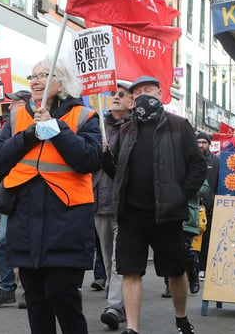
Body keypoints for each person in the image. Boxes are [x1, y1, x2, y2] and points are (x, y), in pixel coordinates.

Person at [0, 58, 102, 334]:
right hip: (25, 223)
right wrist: (28, 136)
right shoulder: (17, 117)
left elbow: (89, 159)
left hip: (67, 223)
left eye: (43, 75)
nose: (35, 81)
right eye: (33, 76)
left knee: (62, 295)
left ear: (61, 82)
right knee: (35, 300)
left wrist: (54, 128)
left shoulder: (84, 116)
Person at [107, 75, 207, 334]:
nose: (143, 95)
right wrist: (105, 158)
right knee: (130, 271)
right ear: (132, 100)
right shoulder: (126, 129)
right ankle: (132, 327)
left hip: (167, 215)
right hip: (131, 214)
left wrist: (180, 194)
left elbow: (197, 166)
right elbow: (118, 171)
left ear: (161, 94)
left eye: (148, 90)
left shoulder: (179, 125)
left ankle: (181, 317)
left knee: (175, 271)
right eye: (137, 92)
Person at [0, 90, 32, 308]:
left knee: (30, 242)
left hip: (35, 194)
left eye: (14, 103)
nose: (9, 108)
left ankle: (30, 290)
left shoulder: (40, 121)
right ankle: (6, 288)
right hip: (11, 191)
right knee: (3, 240)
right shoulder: (8, 127)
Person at [93, 84, 132, 329]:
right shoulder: (98, 126)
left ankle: (114, 305)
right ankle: (121, 303)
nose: (115, 98)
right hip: (99, 200)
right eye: (113, 94)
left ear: (132, 101)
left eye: (121, 95)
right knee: (108, 260)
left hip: (126, 203)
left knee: (119, 259)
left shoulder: (135, 127)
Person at [195, 131, 219, 280]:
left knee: (207, 240)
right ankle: (193, 268)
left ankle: (203, 268)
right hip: (192, 207)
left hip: (209, 207)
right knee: (193, 240)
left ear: (209, 144)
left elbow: (217, 183)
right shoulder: (190, 158)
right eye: (198, 142)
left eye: (204, 142)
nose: (201, 145)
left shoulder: (216, 160)